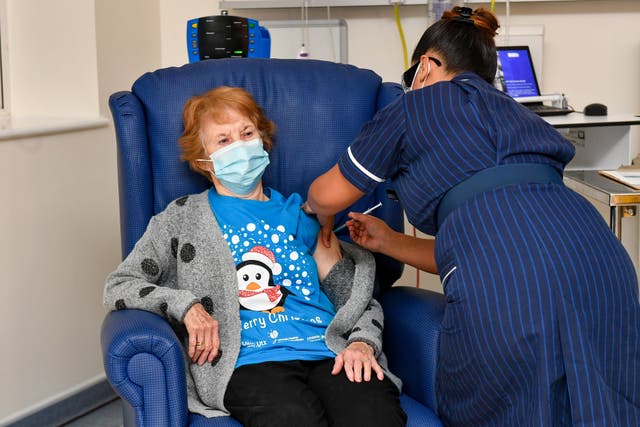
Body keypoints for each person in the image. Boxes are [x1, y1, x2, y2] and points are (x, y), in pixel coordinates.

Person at [305, 6, 640, 426]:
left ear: (425, 66)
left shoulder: (415, 107)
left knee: (510, 408)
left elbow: (327, 194)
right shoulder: (517, 112)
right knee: (604, 405)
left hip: (511, 286)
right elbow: (476, 246)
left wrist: (311, 211)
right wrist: (389, 241)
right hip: (600, 264)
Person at [103, 86, 406, 427]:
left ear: (262, 139)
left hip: (326, 350)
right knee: (294, 420)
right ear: (203, 159)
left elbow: (355, 297)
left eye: (247, 133)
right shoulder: (182, 219)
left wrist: (363, 343)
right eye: (223, 140)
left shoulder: (302, 215)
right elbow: (120, 285)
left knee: (375, 416)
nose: (240, 146)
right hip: (248, 361)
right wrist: (186, 306)